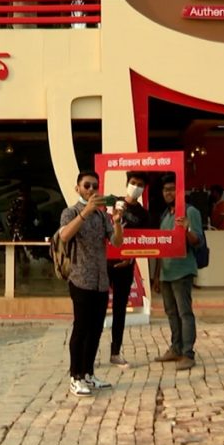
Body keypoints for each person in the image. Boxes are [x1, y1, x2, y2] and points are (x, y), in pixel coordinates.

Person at [59, 170, 123, 397]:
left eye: (95, 186)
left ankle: (88, 373)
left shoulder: (102, 216)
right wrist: (85, 211)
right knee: (81, 328)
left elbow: (116, 242)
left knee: (96, 329)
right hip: (80, 278)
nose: (91, 190)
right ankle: (75, 376)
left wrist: (117, 223)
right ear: (77, 188)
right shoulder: (71, 212)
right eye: (87, 185)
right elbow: (64, 236)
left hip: (101, 281)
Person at [152, 174, 202, 371]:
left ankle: (188, 353)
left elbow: (197, 241)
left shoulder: (191, 212)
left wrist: (187, 229)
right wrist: (157, 276)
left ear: (180, 191)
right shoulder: (165, 215)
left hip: (183, 270)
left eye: (172, 189)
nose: (168, 193)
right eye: (166, 190)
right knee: (171, 313)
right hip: (166, 272)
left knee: (184, 313)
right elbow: (161, 247)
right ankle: (176, 348)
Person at [106, 171, 150, 368]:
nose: (136, 187)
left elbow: (144, 241)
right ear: (126, 183)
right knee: (96, 309)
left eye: (140, 184)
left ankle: (115, 352)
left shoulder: (144, 214)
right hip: (104, 264)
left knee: (119, 310)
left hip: (126, 267)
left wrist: (130, 257)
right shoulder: (112, 202)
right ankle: (89, 353)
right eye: (133, 183)